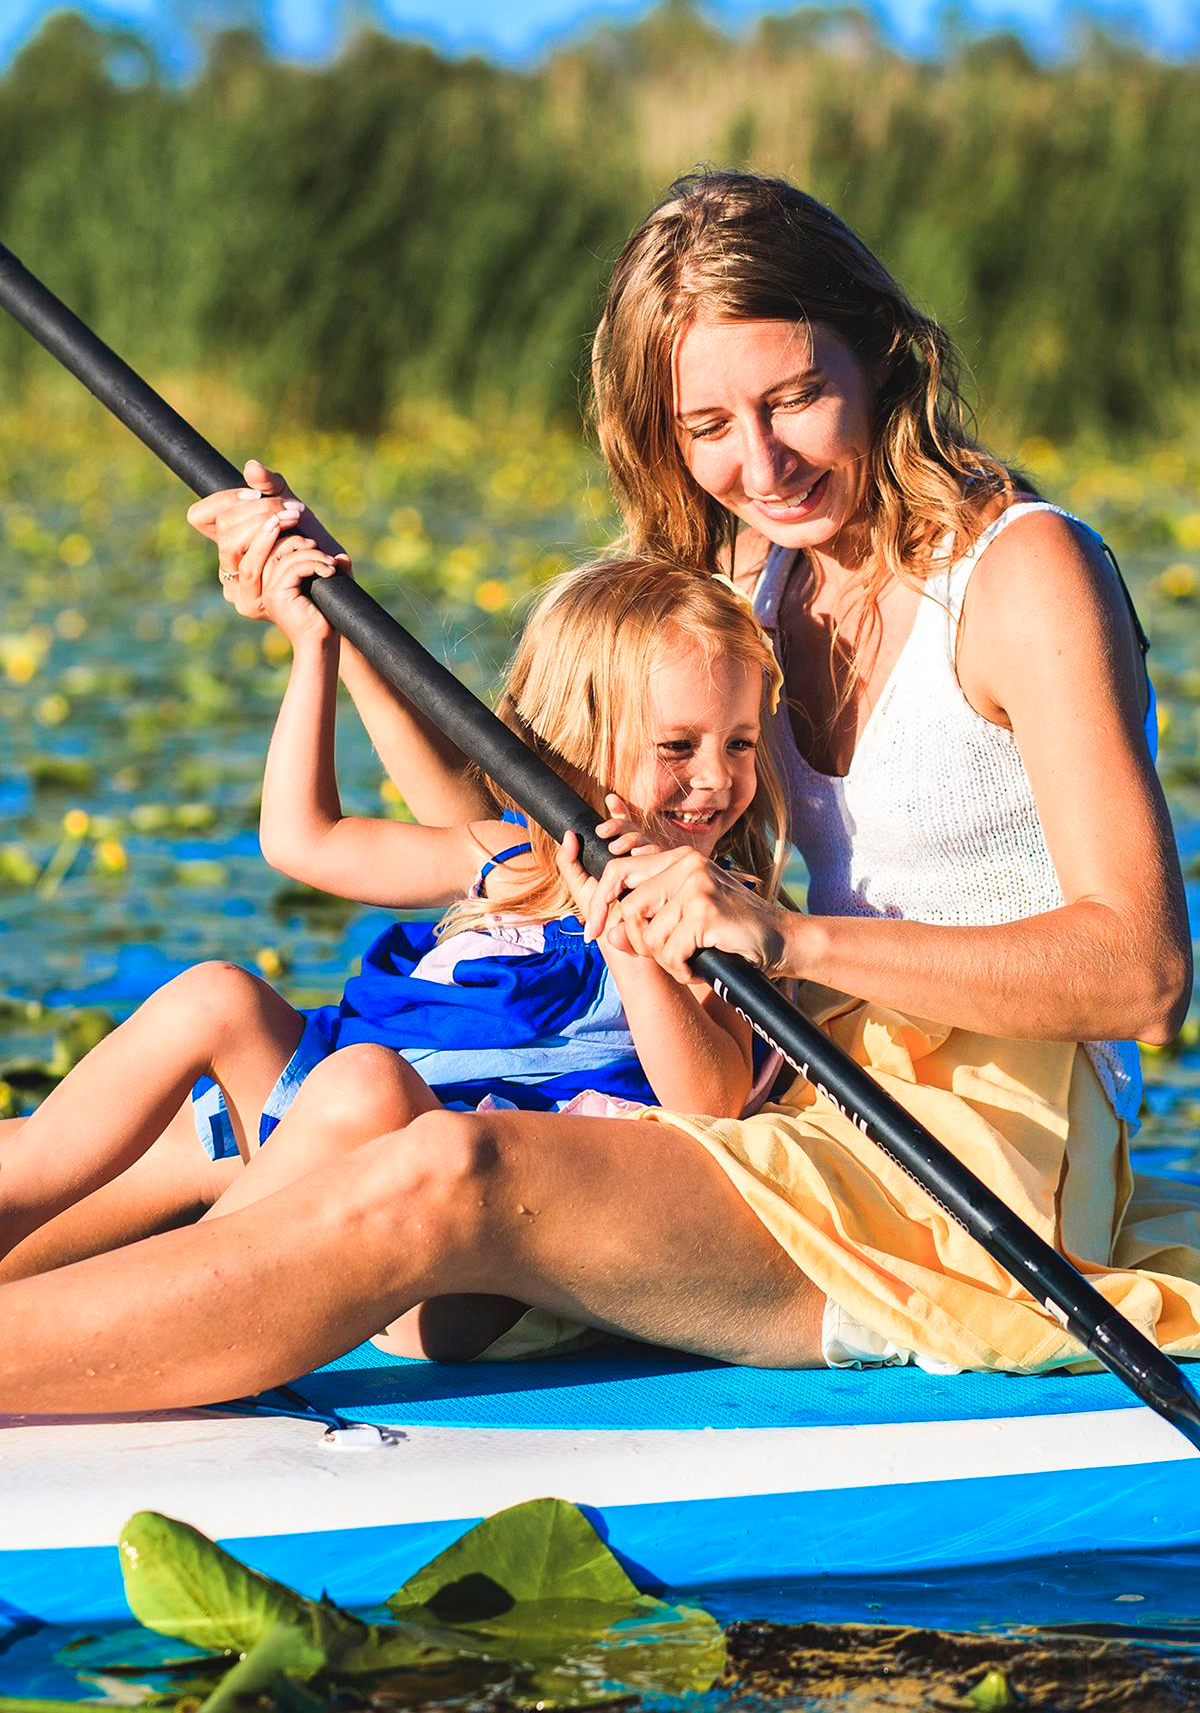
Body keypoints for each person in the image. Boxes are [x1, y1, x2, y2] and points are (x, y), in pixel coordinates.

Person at [0, 168, 1195, 1414]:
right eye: (708, 427)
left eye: (796, 398)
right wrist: (331, 619)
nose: (762, 462)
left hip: (968, 1159)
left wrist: (788, 936)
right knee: (239, 1111)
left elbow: (1142, 976)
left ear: (885, 361)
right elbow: (528, 828)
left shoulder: (1023, 571)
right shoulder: (759, 576)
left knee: (450, 1167)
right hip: (778, 1084)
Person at [0, 551, 787, 1365]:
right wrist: (314, 650)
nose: (716, 780)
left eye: (738, 744)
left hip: (454, 1254)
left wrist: (628, 938)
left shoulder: (718, 917)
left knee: (364, 1085)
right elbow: (303, 839)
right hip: (333, 1145)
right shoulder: (513, 858)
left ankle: (168, 1310)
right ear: (577, 746)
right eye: (677, 747)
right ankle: (22, 1205)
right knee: (217, 996)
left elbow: (712, 1101)